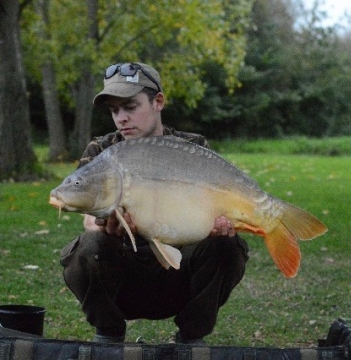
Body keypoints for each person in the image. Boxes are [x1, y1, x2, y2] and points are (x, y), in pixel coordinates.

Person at [60, 62, 249, 344]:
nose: (121, 118)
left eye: (130, 107)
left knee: (227, 246)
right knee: (89, 247)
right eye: (114, 111)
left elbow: (216, 204)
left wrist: (220, 222)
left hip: (179, 275)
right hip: (123, 276)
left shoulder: (191, 147)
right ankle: (109, 336)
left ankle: (190, 338)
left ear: (157, 101)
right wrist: (104, 225)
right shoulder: (103, 150)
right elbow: (88, 216)